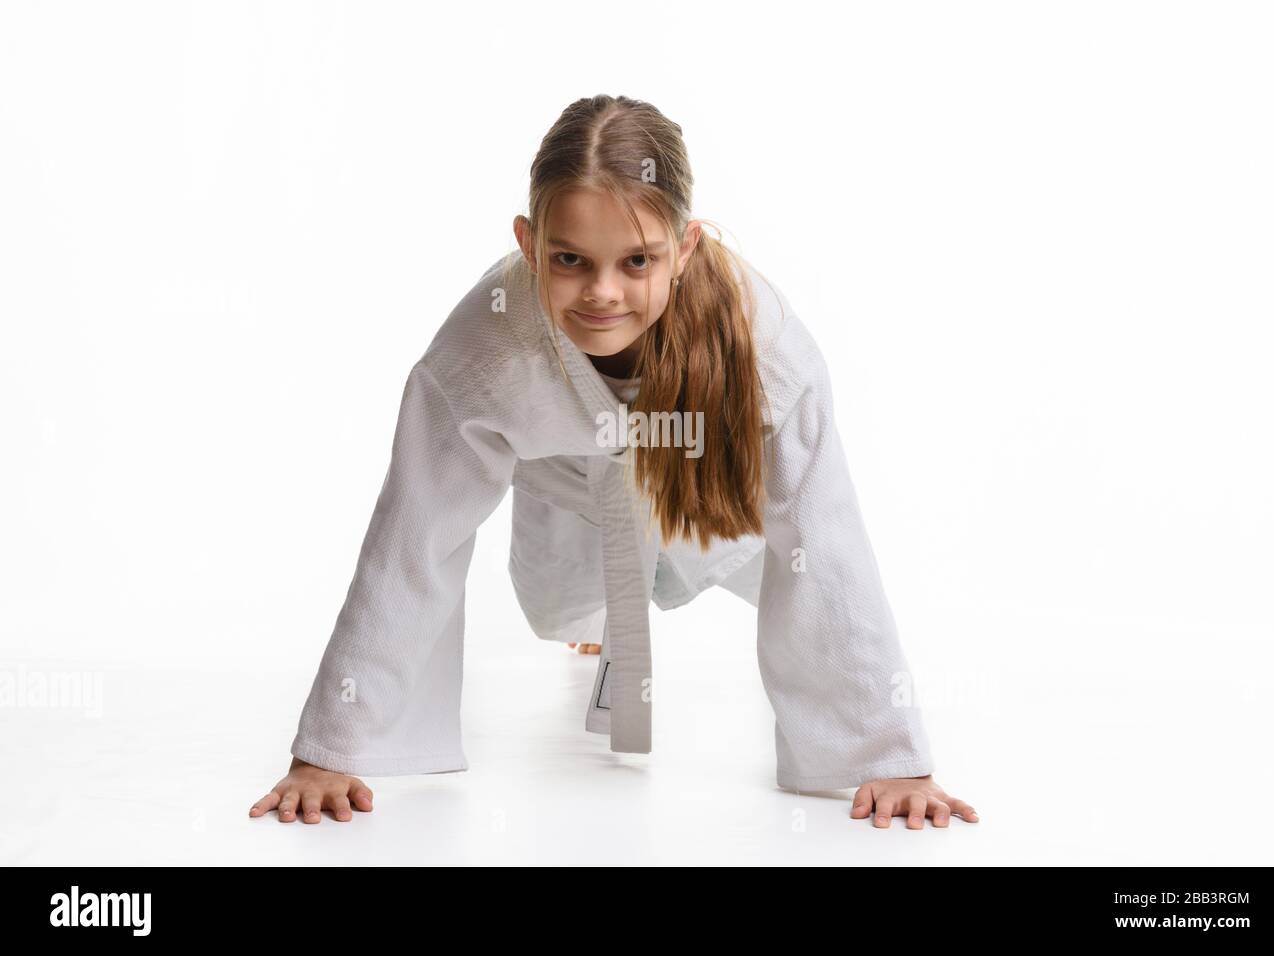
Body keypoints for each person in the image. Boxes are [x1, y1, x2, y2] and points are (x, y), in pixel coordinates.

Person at [250, 94, 978, 830]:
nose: (602, 291)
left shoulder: (767, 347)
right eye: (570, 260)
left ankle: (663, 581)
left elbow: (827, 539)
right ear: (529, 246)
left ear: (685, 247)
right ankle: (588, 610)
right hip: (559, 478)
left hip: (705, 480)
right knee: (552, 603)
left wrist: (889, 758)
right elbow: (414, 538)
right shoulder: (482, 346)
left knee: (792, 566)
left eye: (638, 261)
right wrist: (333, 748)